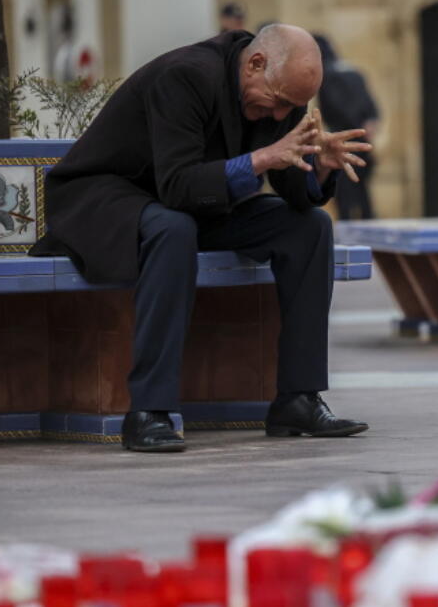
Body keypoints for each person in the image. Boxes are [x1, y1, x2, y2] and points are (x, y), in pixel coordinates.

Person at [31, 24, 372, 453]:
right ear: (256, 64)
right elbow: (176, 185)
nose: (283, 116)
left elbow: (293, 194)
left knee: (309, 229)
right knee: (173, 229)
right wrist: (263, 157)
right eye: (281, 102)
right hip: (106, 197)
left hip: (189, 203)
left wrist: (320, 167)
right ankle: (148, 413)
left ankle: (297, 399)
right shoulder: (186, 76)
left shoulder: (272, 98)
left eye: (295, 108)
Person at [314, 34, 380, 220]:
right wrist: (369, 124)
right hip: (363, 138)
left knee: (344, 194)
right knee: (362, 191)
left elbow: (336, 107)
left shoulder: (327, 75)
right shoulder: (353, 71)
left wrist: (351, 127)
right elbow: (371, 106)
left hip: (342, 139)